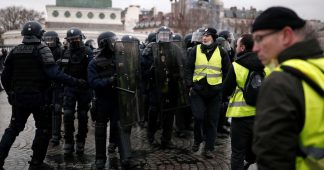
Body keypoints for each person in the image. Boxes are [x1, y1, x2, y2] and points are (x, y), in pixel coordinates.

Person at [0, 21, 86, 170]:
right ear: (40, 34)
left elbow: (4, 77)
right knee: (43, 129)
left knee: (12, 129)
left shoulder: (15, 51)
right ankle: (36, 163)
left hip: (19, 99)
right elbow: (55, 74)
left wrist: (11, 93)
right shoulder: (42, 50)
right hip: (39, 99)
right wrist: (76, 82)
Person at [251, 7, 324, 170]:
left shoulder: (281, 81)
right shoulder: (319, 68)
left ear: (286, 35)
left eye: (259, 38)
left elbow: (273, 160)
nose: (255, 48)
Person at [88, 31, 137, 169]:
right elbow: (93, 82)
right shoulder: (94, 62)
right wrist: (109, 81)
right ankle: (100, 160)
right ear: (105, 44)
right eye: (112, 41)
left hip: (118, 99)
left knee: (121, 128)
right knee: (100, 129)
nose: (115, 44)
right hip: (103, 100)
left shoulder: (120, 58)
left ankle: (126, 159)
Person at [223, 34, 269, 170]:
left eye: (237, 45)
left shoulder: (236, 66)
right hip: (260, 116)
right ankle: (251, 160)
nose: (236, 47)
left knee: (237, 153)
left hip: (240, 116)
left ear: (242, 48)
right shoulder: (265, 64)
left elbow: (226, 90)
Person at [184, 27, 230, 158]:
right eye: (203, 35)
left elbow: (228, 72)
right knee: (198, 117)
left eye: (208, 35)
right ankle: (198, 140)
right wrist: (189, 85)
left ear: (214, 38)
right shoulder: (195, 50)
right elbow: (188, 68)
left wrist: (222, 88)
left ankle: (209, 148)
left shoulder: (222, 52)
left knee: (212, 121)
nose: (204, 38)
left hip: (215, 92)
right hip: (198, 90)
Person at [60, 27, 93, 156]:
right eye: (71, 39)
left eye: (76, 39)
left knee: (83, 115)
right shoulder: (65, 53)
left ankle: (81, 140)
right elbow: (62, 72)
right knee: (67, 114)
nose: (74, 41)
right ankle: (68, 141)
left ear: (81, 38)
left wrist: (88, 83)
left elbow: (91, 70)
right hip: (70, 87)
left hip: (84, 88)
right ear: (68, 40)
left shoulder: (88, 51)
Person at [43, 31, 64, 146]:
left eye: (51, 39)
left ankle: (56, 135)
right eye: (47, 39)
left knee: (56, 109)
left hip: (57, 83)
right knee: (46, 108)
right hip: (45, 84)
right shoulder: (41, 51)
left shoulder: (61, 51)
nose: (49, 42)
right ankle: (48, 131)